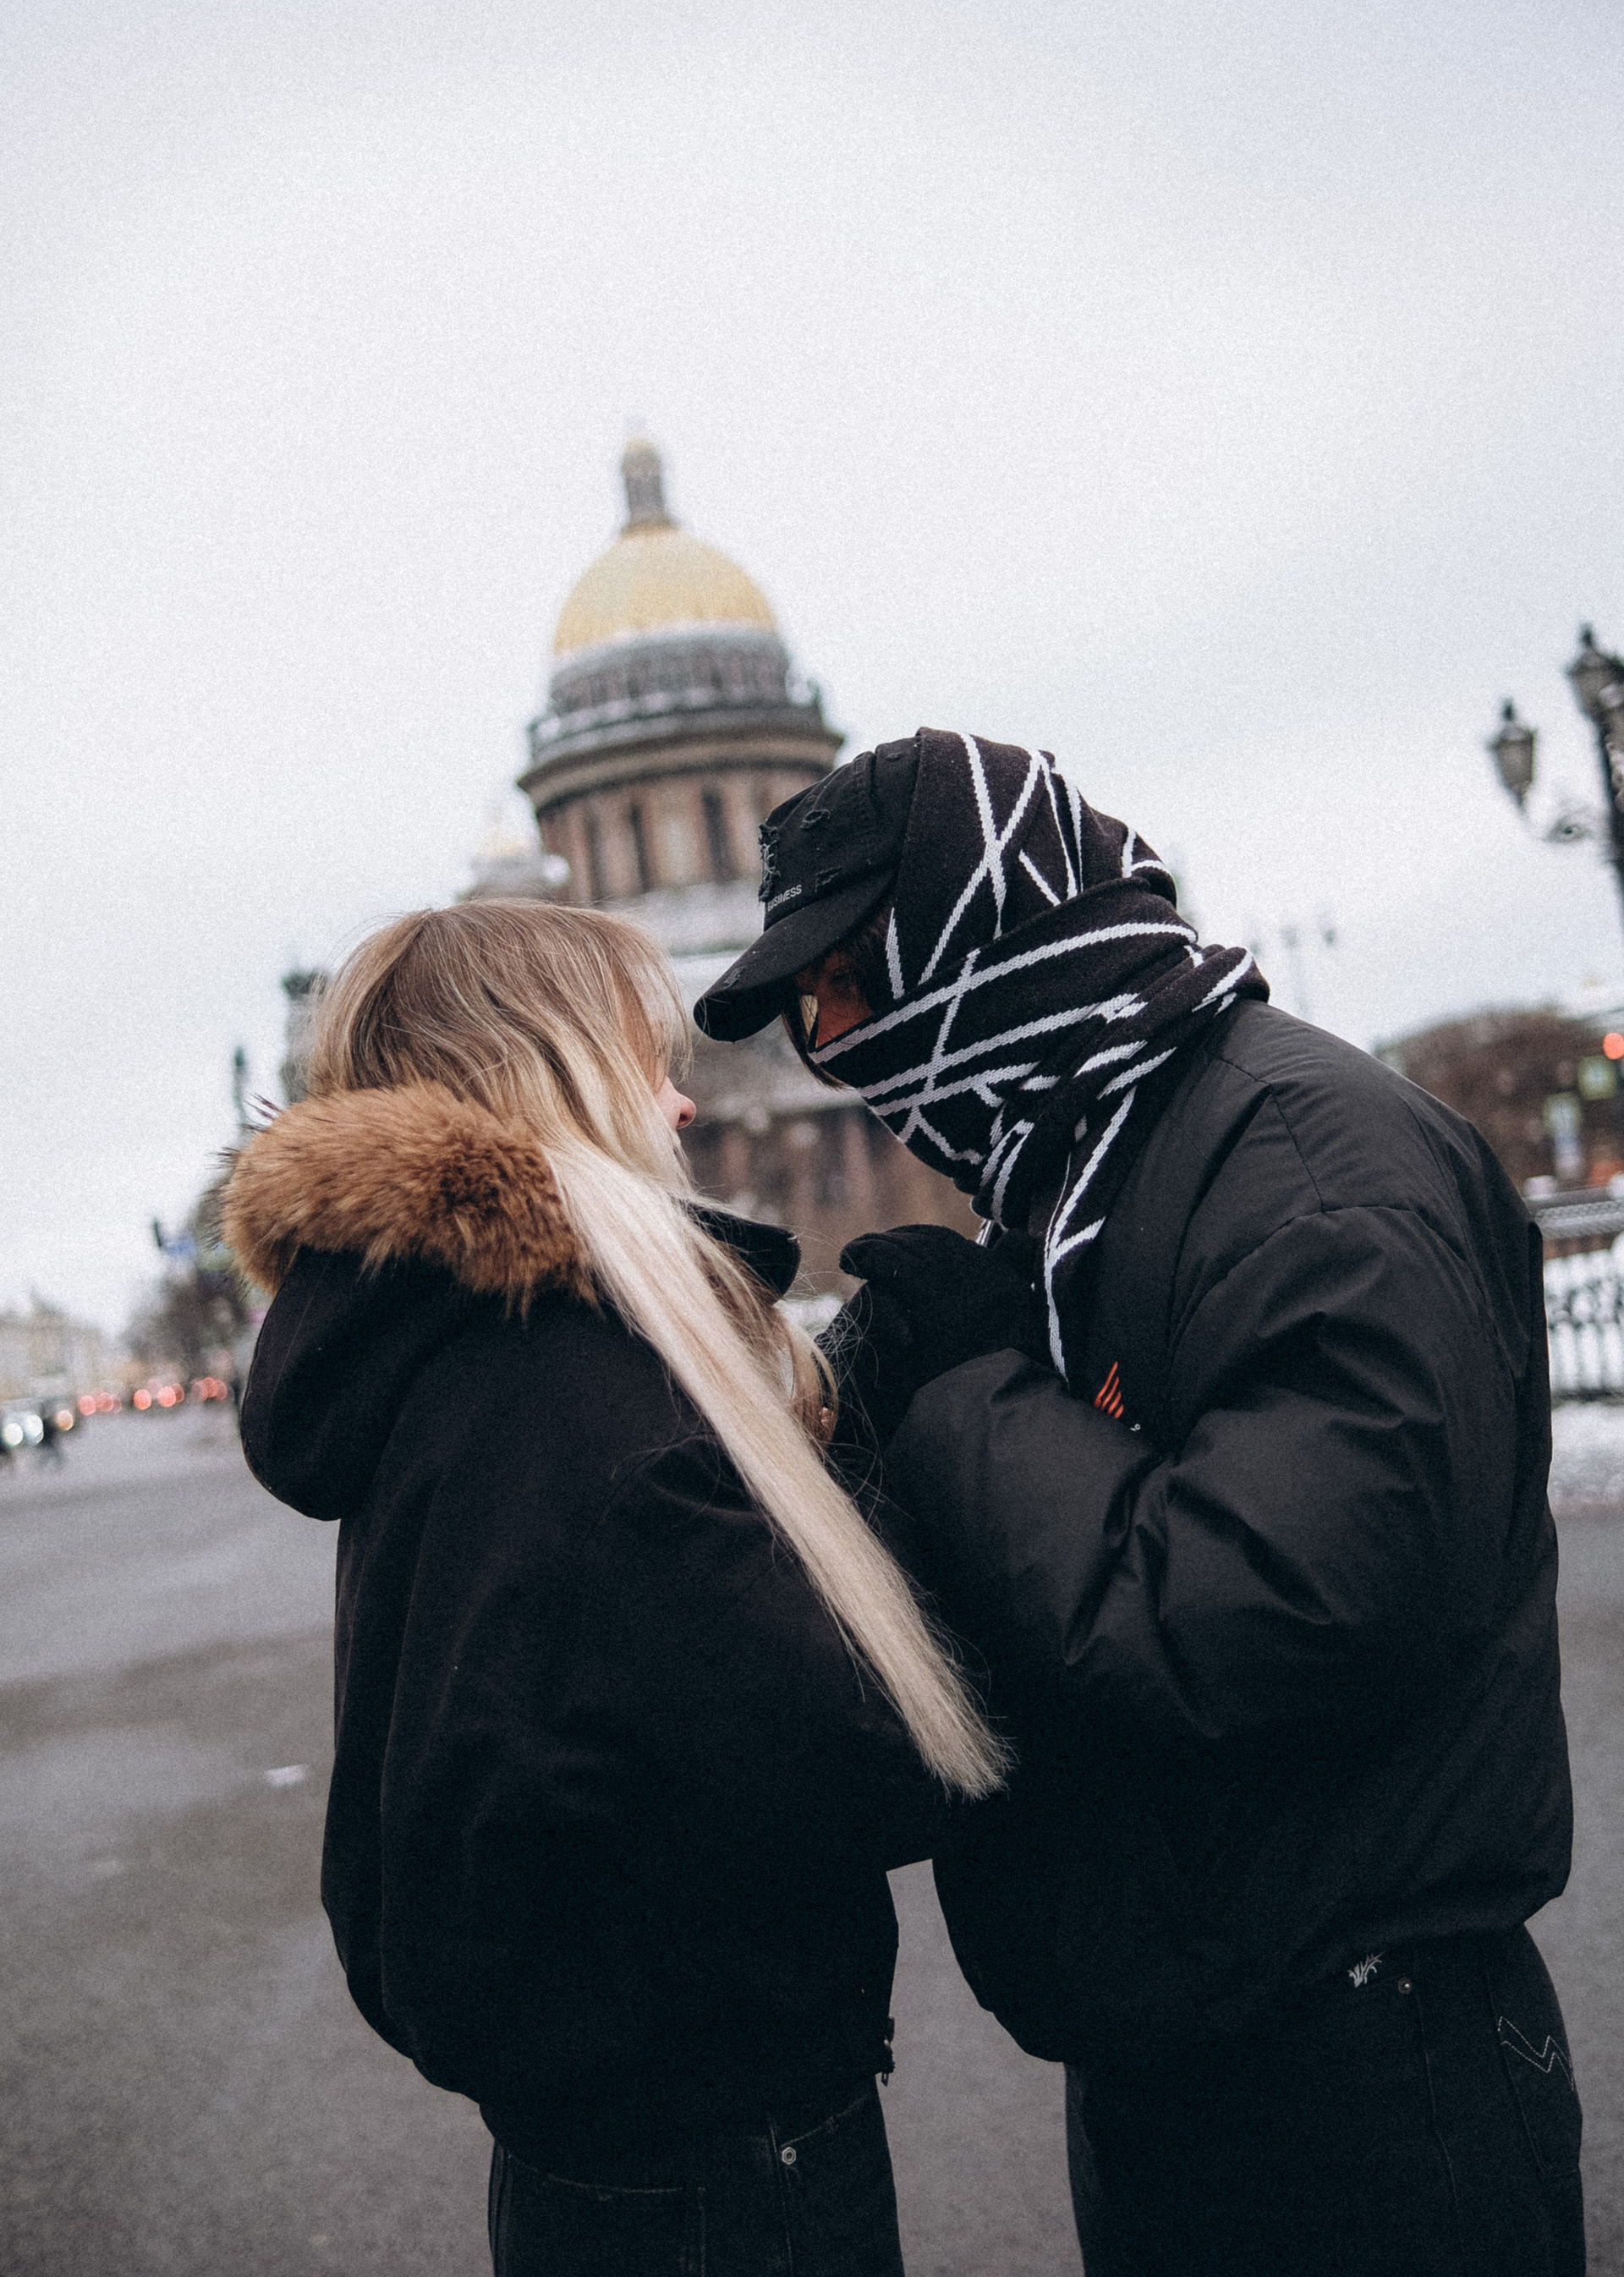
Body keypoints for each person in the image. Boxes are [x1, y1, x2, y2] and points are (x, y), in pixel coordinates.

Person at [696, 728, 1583, 2277]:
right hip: (1187, 2050)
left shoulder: (1304, 1166)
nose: (831, 1047)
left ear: (978, 928)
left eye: (846, 980)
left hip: (1361, 2081)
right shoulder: (1086, 1169)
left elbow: (1274, 1611)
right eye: (805, 1011)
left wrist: (972, 1398)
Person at [222, 899, 1006, 2277]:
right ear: (555, 1075)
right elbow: (871, 1760)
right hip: (722, 2166)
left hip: (598, 2148)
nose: (686, 1102)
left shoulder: (462, 1347)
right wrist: (973, 1468)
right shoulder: (584, 1402)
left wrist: (850, 1402)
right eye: (646, 1063)